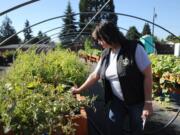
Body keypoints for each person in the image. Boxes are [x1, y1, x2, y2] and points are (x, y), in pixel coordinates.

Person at [71, 21, 153, 135]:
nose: (99, 43)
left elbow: (148, 75)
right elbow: (95, 75)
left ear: (108, 36)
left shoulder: (134, 48)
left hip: (137, 101)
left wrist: (148, 103)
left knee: (136, 129)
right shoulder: (106, 53)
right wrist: (79, 90)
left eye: (100, 39)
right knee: (112, 127)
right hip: (118, 101)